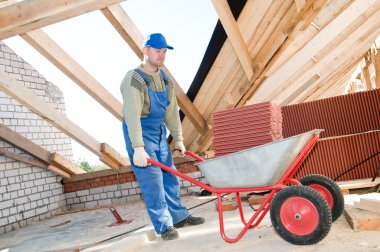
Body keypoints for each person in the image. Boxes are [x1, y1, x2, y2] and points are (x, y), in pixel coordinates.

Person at [120, 33, 205, 240]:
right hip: (139, 131)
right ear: (145, 50)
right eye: (158, 50)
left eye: (164, 51)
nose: (162, 55)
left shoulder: (165, 79)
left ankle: (178, 217)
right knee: (153, 181)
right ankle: (164, 225)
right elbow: (132, 116)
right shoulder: (134, 79)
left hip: (158, 132)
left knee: (170, 175)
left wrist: (179, 139)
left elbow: (171, 112)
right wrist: (138, 147)